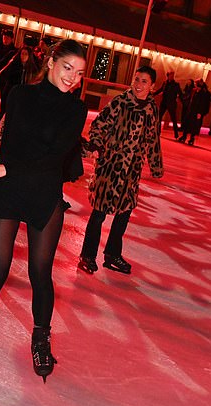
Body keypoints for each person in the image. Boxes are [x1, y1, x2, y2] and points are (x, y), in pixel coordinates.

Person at [0, 39, 88, 385]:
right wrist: (8, 171)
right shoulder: (18, 95)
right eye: (67, 68)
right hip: (9, 191)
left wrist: (8, 170)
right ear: (51, 63)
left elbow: (54, 159)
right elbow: (11, 142)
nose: (72, 78)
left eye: (79, 73)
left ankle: (41, 340)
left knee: (40, 274)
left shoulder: (76, 110)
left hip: (44, 194)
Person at [77, 66, 164, 275]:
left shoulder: (151, 109)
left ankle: (112, 254)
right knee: (99, 213)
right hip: (110, 168)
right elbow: (99, 124)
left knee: (124, 213)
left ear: (152, 86)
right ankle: (87, 255)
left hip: (132, 171)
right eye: (136, 79)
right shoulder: (120, 102)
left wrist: (155, 164)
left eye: (144, 81)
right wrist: (97, 145)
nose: (138, 84)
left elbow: (152, 139)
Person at [0, 46, 40, 143]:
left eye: (25, 54)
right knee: (4, 112)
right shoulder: (14, 65)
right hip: (9, 93)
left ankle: (13, 136)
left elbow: (36, 81)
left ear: (30, 56)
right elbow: (4, 75)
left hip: (23, 96)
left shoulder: (33, 69)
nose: (23, 56)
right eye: (22, 54)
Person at [179, 79, 210, 145]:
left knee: (193, 126)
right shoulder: (194, 92)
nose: (195, 86)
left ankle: (191, 139)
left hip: (196, 112)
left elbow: (203, 104)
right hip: (190, 110)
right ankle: (184, 137)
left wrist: (200, 113)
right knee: (187, 123)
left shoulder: (203, 94)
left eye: (196, 85)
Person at [154, 71, 182, 139]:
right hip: (164, 102)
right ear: (168, 76)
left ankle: (176, 135)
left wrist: (181, 99)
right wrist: (153, 94)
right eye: (171, 75)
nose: (172, 76)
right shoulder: (165, 83)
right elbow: (161, 90)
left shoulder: (176, 84)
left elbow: (180, 93)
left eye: (173, 75)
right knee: (159, 117)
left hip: (171, 103)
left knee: (173, 119)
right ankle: (158, 132)